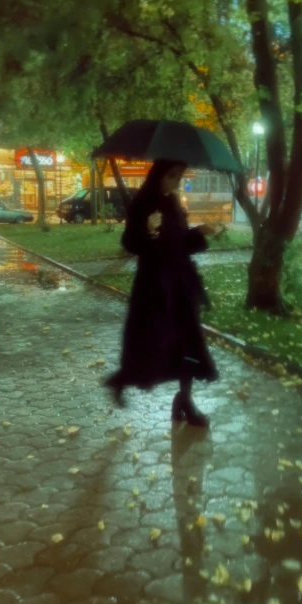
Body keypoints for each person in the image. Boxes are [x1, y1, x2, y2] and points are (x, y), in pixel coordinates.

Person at [105, 159, 220, 426]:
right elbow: (131, 243)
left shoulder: (173, 204)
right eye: (172, 176)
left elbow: (180, 244)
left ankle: (185, 400)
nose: (176, 182)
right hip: (154, 287)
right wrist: (148, 230)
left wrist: (199, 232)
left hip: (180, 283)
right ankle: (122, 379)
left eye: (180, 177)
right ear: (159, 176)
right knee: (149, 342)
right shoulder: (143, 203)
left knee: (188, 341)